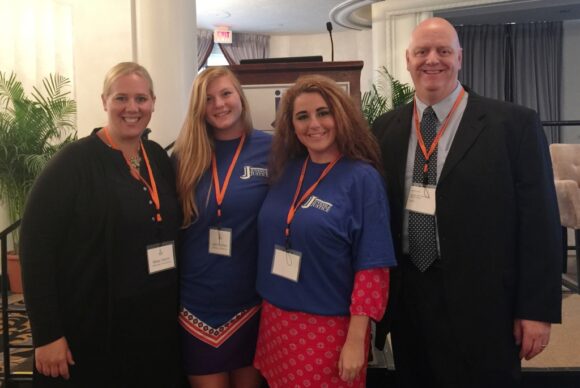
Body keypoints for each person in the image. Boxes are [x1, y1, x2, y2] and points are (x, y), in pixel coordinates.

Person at [372, 17, 562, 387]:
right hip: (410, 296)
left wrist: (536, 310)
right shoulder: (384, 129)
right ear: (408, 59)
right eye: (422, 51)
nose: (432, 60)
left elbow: (540, 223)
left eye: (443, 51)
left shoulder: (513, 125)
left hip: (486, 302)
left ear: (460, 57)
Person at [19, 62, 182, 387]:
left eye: (141, 98)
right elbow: (35, 247)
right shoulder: (73, 163)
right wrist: (47, 334)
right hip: (94, 325)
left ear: (153, 101)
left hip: (154, 324)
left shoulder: (156, 157)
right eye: (121, 98)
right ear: (105, 101)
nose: (132, 108)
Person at [254, 74, 397, 387]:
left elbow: (373, 264)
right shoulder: (287, 169)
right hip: (275, 320)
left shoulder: (362, 178)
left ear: (340, 116)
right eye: (302, 116)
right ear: (291, 126)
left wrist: (356, 339)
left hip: (329, 327)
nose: (313, 124)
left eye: (323, 112)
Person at [173, 66, 271, 388]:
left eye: (226, 93)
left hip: (251, 303)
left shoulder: (273, 150)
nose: (219, 104)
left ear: (240, 96)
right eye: (208, 98)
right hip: (196, 303)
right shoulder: (183, 155)